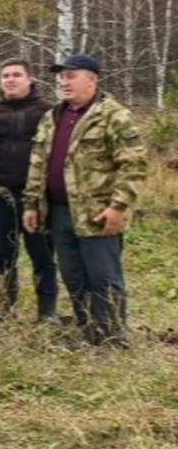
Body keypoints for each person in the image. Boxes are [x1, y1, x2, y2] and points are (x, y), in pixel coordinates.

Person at [23, 54, 148, 347]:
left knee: (103, 278)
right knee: (74, 277)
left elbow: (135, 164)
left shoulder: (114, 115)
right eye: (62, 77)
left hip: (97, 214)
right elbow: (38, 162)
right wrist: (31, 203)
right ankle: (88, 331)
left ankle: (113, 339)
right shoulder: (53, 117)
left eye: (71, 76)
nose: (64, 82)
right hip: (59, 212)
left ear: (92, 79)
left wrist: (118, 207)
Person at [0, 59, 58, 322]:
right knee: (2, 254)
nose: (10, 80)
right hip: (1, 196)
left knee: (42, 253)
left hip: (36, 196)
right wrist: (1, 169)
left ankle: (47, 311)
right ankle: (5, 306)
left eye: (16, 75)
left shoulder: (48, 111)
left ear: (29, 79)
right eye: (5, 76)